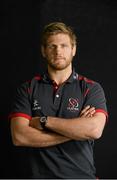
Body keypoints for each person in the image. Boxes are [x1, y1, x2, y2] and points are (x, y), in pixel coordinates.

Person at [9, 22, 108, 179]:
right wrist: (75, 131)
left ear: (73, 50)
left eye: (64, 46)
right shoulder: (27, 88)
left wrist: (43, 121)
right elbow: (20, 136)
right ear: (43, 51)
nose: (58, 51)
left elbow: (94, 130)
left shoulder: (91, 88)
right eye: (52, 46)